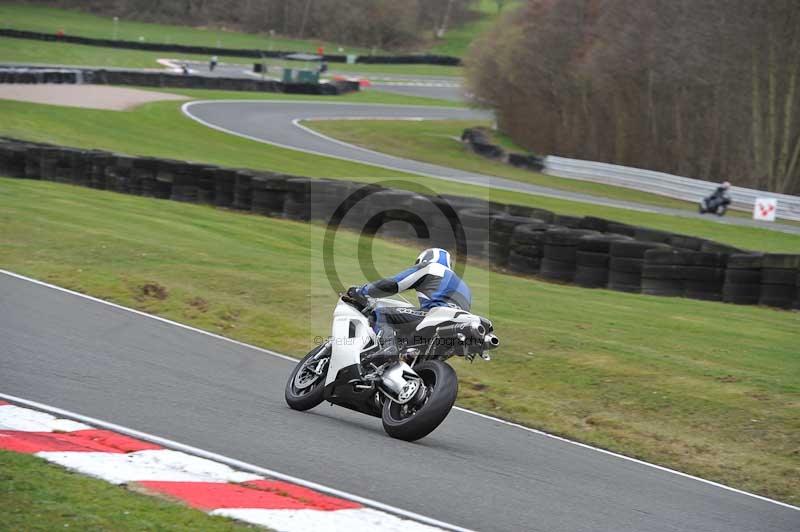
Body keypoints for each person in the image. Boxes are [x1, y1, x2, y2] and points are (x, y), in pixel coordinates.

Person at [346, 248, 471, 368]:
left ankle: (387, 347)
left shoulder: (432, 268)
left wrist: (361, 291)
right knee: (414, 363)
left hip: (436, 316)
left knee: (382, 313)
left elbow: (394, 284)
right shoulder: (464, 285)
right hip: (456, 331)